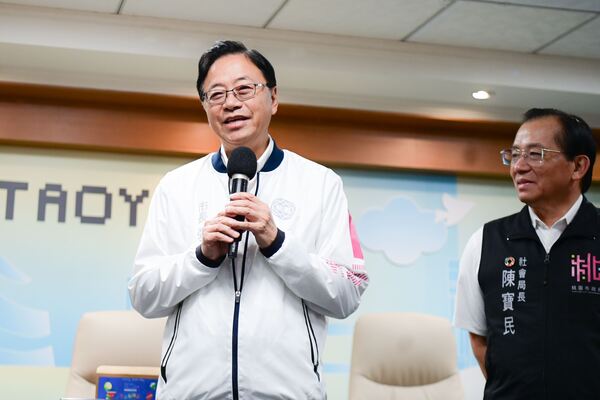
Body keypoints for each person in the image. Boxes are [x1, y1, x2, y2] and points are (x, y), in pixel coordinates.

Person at [128, 40, 368, 400]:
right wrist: (202, 257)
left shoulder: (321, 184)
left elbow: (346, 295)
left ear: (273, 98)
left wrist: (278, 244)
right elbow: (144, 296)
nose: (230, 103)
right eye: (216, 94)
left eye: (244, 89)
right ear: (205, 106)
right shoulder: (176, 186)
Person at [454, 108, 599, 399]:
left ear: (577, 167)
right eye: (514, 154)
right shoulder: (486, 241)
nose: (519, 166)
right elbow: (479, 338)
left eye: (535, 154)